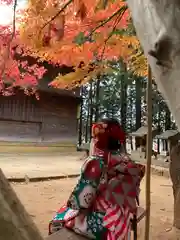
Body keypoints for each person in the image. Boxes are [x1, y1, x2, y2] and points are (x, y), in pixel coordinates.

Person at [49, 118, 145, 239]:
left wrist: (71, 205)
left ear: (98, 138)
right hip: (123, 217)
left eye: (95, 137)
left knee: (57, 220)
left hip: (102, 222)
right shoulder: (126, 160)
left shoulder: (96, 162)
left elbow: (81, 201)